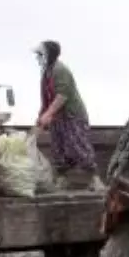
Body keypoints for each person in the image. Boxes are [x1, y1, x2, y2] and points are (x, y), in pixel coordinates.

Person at [35, 40, 103, 191]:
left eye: (39, 54)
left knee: (78, 147)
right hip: (58, 118)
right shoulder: (46, 72)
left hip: (72, 116)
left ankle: (94, 179)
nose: (37, 58)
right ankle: (63, 179)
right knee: (58, 149)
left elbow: (62, 96)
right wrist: (42, 115)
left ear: (48, 55)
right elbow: (47, 97)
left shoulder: (60, 70)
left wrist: (48, 114)